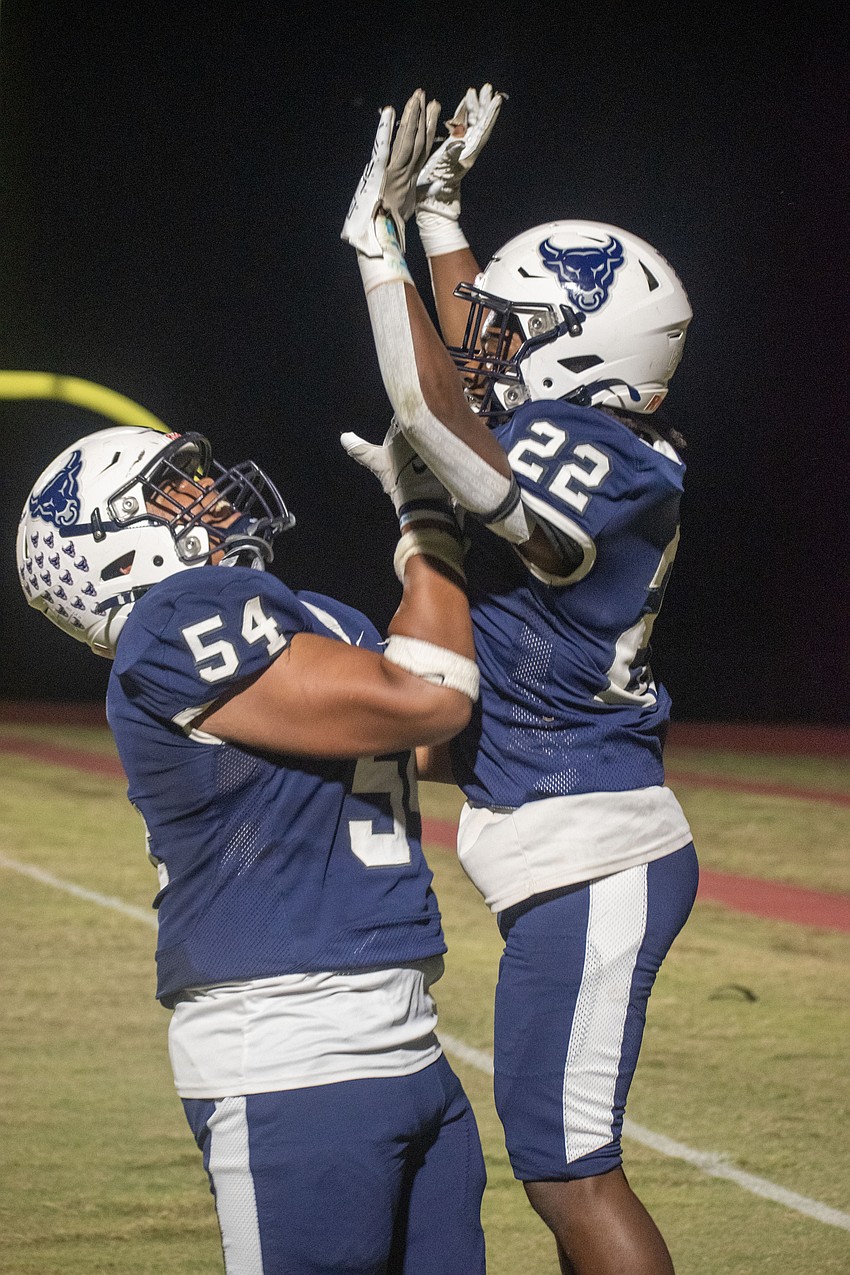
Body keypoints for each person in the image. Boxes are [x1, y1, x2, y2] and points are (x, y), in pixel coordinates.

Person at [341, 87, 700, 1275]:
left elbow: (438, 413)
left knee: (569, 1171)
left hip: (593, 847)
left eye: (516, 326)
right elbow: (475, 384)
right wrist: (443, 219)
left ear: (583, 346)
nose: (486, 340)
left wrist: (380, 252)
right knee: (556, 1162)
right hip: (566, 835)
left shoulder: (604, 458)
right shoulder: (594, 436)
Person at [16, 421, 487, 1275]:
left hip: (407, 1036)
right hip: (288, 1054)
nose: (208, 491)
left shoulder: (318, 619)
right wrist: (426, 522)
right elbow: (429, 701)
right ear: (111, 548)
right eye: (171, 487)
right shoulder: (175, 619)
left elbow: (433, 742)